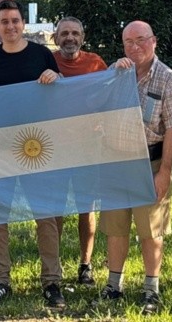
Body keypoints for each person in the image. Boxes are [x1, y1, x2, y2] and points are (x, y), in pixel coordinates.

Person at [97, 20, 172, 314]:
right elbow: (98, 110)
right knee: (115, 227)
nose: (134, 47)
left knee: (151, 230)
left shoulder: (167, 79)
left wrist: (164, 171)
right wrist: (113, 76)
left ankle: (151, 289)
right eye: (128, 42)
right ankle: (114, 285)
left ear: (154, 41)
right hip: (116, 161)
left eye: (140, 40)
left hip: (150, 162)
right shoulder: (117, 74)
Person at [0, 0, 65, 307]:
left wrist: (57, 79)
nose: (10, 26)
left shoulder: (42, 55)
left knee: (45, 215)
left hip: (37, 145)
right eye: (4, 21)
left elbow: (62, 94)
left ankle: (52, 282)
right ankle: (0, 280)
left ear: (23, 23)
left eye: (15, 20)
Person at [51, 17, 107, 287]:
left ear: (82, 37)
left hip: (87, 146)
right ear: (55, 37)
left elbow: (110, 95)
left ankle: (85, 265)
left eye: (75, 33)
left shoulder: (96, 63)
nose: (69, 38)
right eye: (64, 33)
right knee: (55, 208)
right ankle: (54, 264)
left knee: (87, 207)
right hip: (53, 147)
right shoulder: (45, 61)